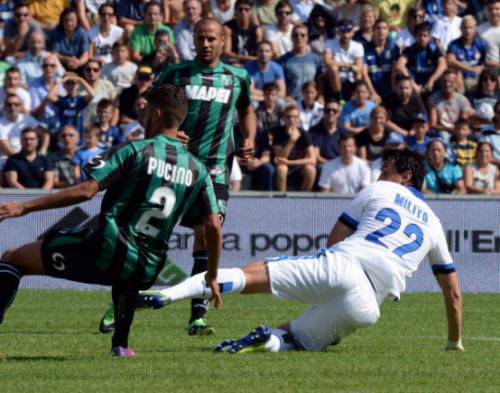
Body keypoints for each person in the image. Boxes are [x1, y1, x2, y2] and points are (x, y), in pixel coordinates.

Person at [136, 148, 464, 354]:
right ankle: (266, 339)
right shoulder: (434, 224)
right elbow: (452, 294)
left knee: (246, 276)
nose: (380, 174)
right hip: (368, 307)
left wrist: (323, 280)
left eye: (386, 169)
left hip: (344, 266)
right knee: (297, 339)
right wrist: (454, 343)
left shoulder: (380, 189)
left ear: (405, 176)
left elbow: (336, 239)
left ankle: (167, 296)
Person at [0, 84, 223, 358]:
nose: (140, 115)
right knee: (129, 270)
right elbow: (213, 225)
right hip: (148, 267)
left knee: (12, 258)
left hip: (105, 250)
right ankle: (121, 345)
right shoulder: (198, 169)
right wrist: (211, 274)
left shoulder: (134, 150)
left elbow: (86, 189)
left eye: (143, 110)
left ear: (156, 113)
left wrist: (23, 207)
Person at [99, 18, 256, 336]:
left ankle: (197, 315)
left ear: (223, 41)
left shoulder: (238, 77)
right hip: (175, 164)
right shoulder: (176, 73)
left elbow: (247, 110)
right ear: (194, 40)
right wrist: (161, 135)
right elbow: (148, 109)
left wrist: (249, 138)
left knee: (206, 232)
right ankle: (122, 303)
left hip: (214, 170)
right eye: (201, 38)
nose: (206, 44)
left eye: (212, 38)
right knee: (147, 234)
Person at [395, 22, 447, 96]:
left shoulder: (433, 49)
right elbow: (399, 66)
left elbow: (443, 65)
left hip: (431, 86)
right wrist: (413, 84)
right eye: (419, 35)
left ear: (429, 37)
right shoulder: (410, 50)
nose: (422, 38)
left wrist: (431, 81)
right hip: (414, 87)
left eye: (425, 36)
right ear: (415, 36)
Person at [428, 69, 475, 141]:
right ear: (441, 83)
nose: (447, 84)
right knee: (443, 135)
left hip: (459, 129)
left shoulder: (463, 100)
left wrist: (456, 129)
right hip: (442, 130)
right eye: (445, 81)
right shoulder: (433, 99)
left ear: (456, 84)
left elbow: (464, 120)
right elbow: (433, 124)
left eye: (451, 82)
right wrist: (447, 128)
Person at [324, 19, 364, 101]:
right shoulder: (330, 43)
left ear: (353, 33)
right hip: (335, 79)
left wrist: (342, 66)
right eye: (343, 32)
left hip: (351, 78)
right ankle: (339, 98)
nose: (345, 35)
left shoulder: (358, 46)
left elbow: (359, 67)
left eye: (348, 32)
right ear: (338, 32)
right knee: (333, 68)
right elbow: (327, 61)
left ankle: (356, 95)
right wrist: (348, 66)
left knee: (358, 73)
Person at [279, 23, 321, 102]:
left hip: (311, 100)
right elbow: (280, 84)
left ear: (307, 38)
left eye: (302, 35)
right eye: (296, 35)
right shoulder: (283, 60)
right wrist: (285, 97)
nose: (299, 38)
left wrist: (320, 96)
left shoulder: (315, 59)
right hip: (291, 101)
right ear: (291, 38)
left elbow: (320, 81)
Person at [48, 7, 90, 72]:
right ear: (62, 21)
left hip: (78, 64)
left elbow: (85, 54)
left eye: (72, 20)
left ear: (77, 21)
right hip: (60, 64)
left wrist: (79, 62)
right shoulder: (56, 32)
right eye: (66, 20)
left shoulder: (82, 33)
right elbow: (54, 54)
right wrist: (68, 59)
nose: (69, 23)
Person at [223, 0, 263, 65]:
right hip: (233, 61)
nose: (243, 12)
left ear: (251, 12)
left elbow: (259, 51)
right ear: (235, 11)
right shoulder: (228, 28)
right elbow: (226, 52)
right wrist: (244, 58)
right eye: (240, 9)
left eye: (246, 10)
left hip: (252, 62)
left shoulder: (257, 30)